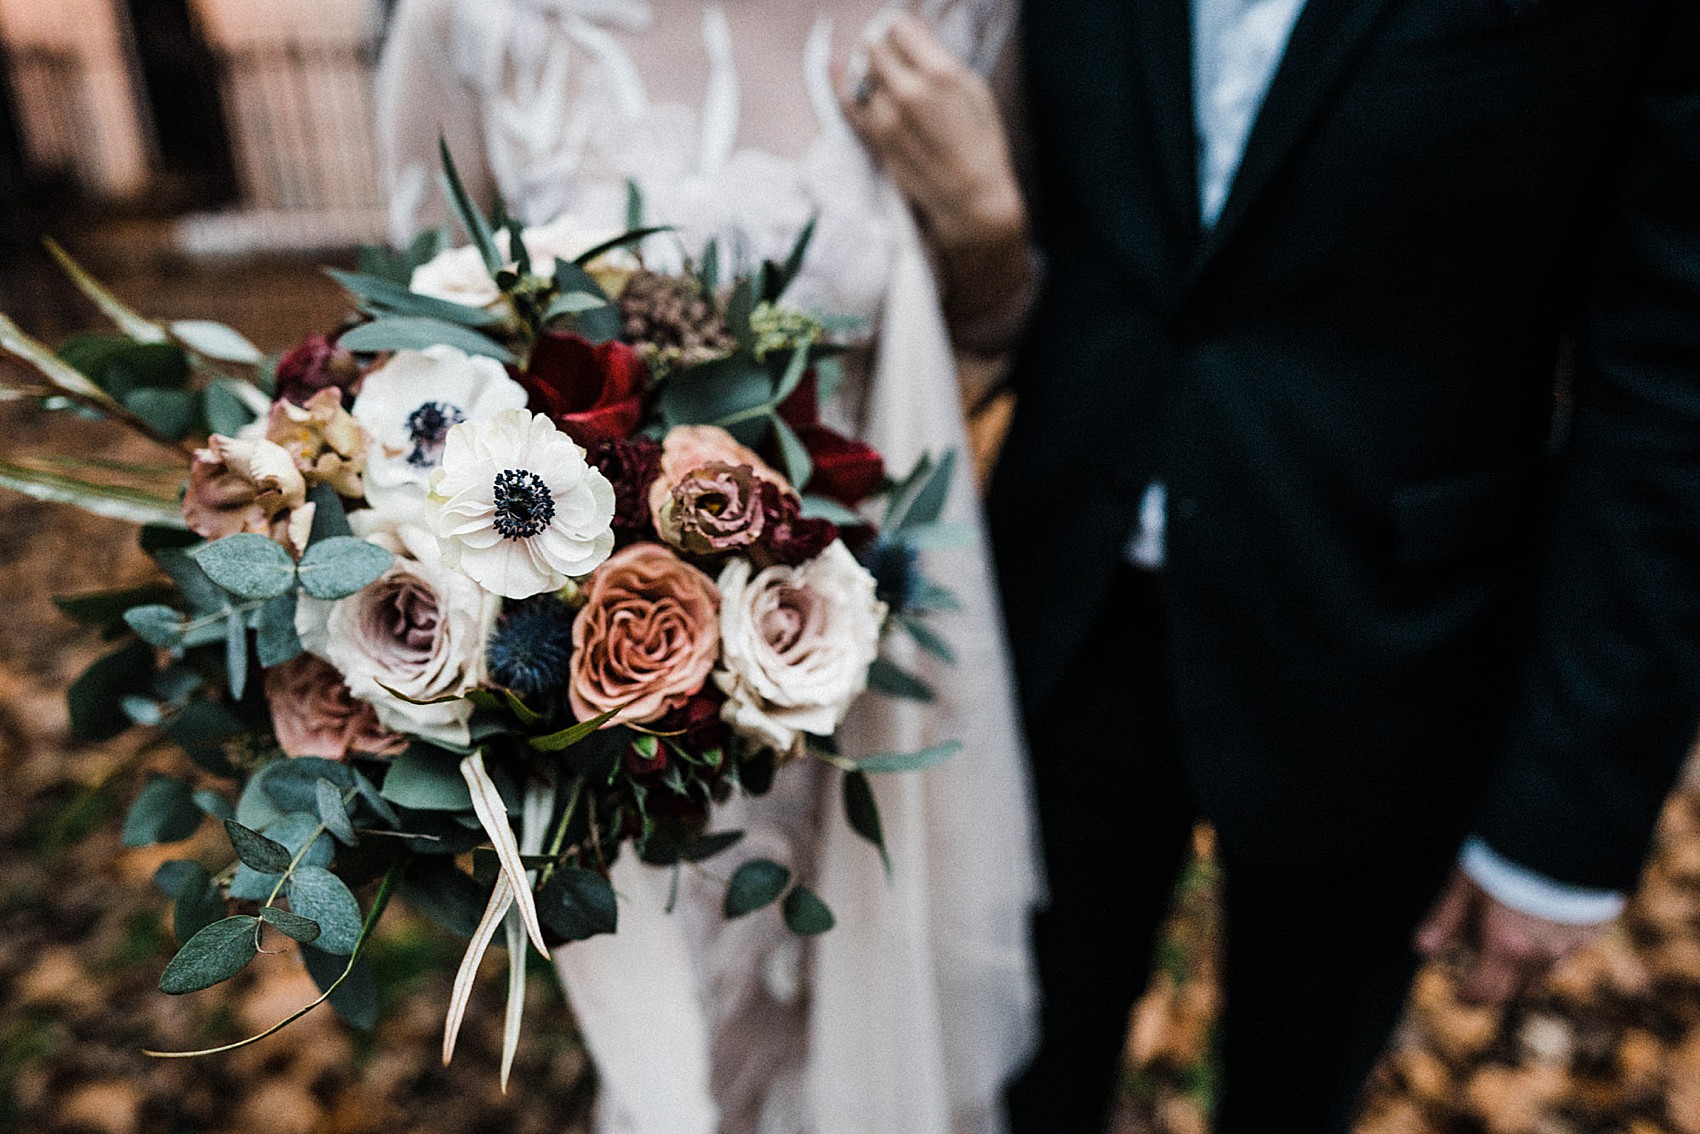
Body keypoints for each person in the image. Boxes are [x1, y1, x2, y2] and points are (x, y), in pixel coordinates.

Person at [996, 2, 1700, 1132]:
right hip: (1059, 594)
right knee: (1004, 1079)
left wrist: (1563, 818)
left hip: (1393, 637)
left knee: (1295, 1094)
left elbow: (1670, 380)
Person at [375, 3, 1042, 1132]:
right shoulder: (467, 25)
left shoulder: (951, 17)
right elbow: (411, 382)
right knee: (680, 1066)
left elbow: (995, 337)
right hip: (614, 711)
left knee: (862, 1049)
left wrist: (983, 226)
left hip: (857, 669)